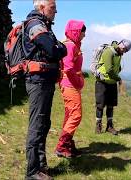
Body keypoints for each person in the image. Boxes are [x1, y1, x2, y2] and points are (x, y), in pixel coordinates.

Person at [23, 0, 67, 179]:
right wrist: (59, 48)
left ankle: (41, 167)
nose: (56, 11)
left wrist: (59, 47)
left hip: (44, 81)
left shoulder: (44, 26)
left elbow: (58, 48)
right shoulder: (36, 25)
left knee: (43, 124)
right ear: (41, 7)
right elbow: (54, 50)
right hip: (38, 82)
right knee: (37, 126)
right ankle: (32, 171)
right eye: (53, 8)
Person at [55, 20, 86, 158]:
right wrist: (78, 82)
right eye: (82, 33)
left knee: (70, 115)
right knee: (76, 115)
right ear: (76, 32)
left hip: (69, 83)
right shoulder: (69, 46)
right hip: (70, 84)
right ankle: (62, 145)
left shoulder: (71, 45)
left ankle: (68, 146)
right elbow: (68, 68)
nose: (84, 36)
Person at [94, 39, 131, 135]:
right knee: (100, 105)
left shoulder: (118, 54)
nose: (124, 52)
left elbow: (116, 69)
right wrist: (119, 79)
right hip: (102, 82)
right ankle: (98, 125)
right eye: (124, 49)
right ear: (121, 45)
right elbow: (109, 70)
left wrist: (116, 79)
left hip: (112, 83)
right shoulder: (108, 52)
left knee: (110, 105)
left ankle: (109, 126)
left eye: (126, 50)